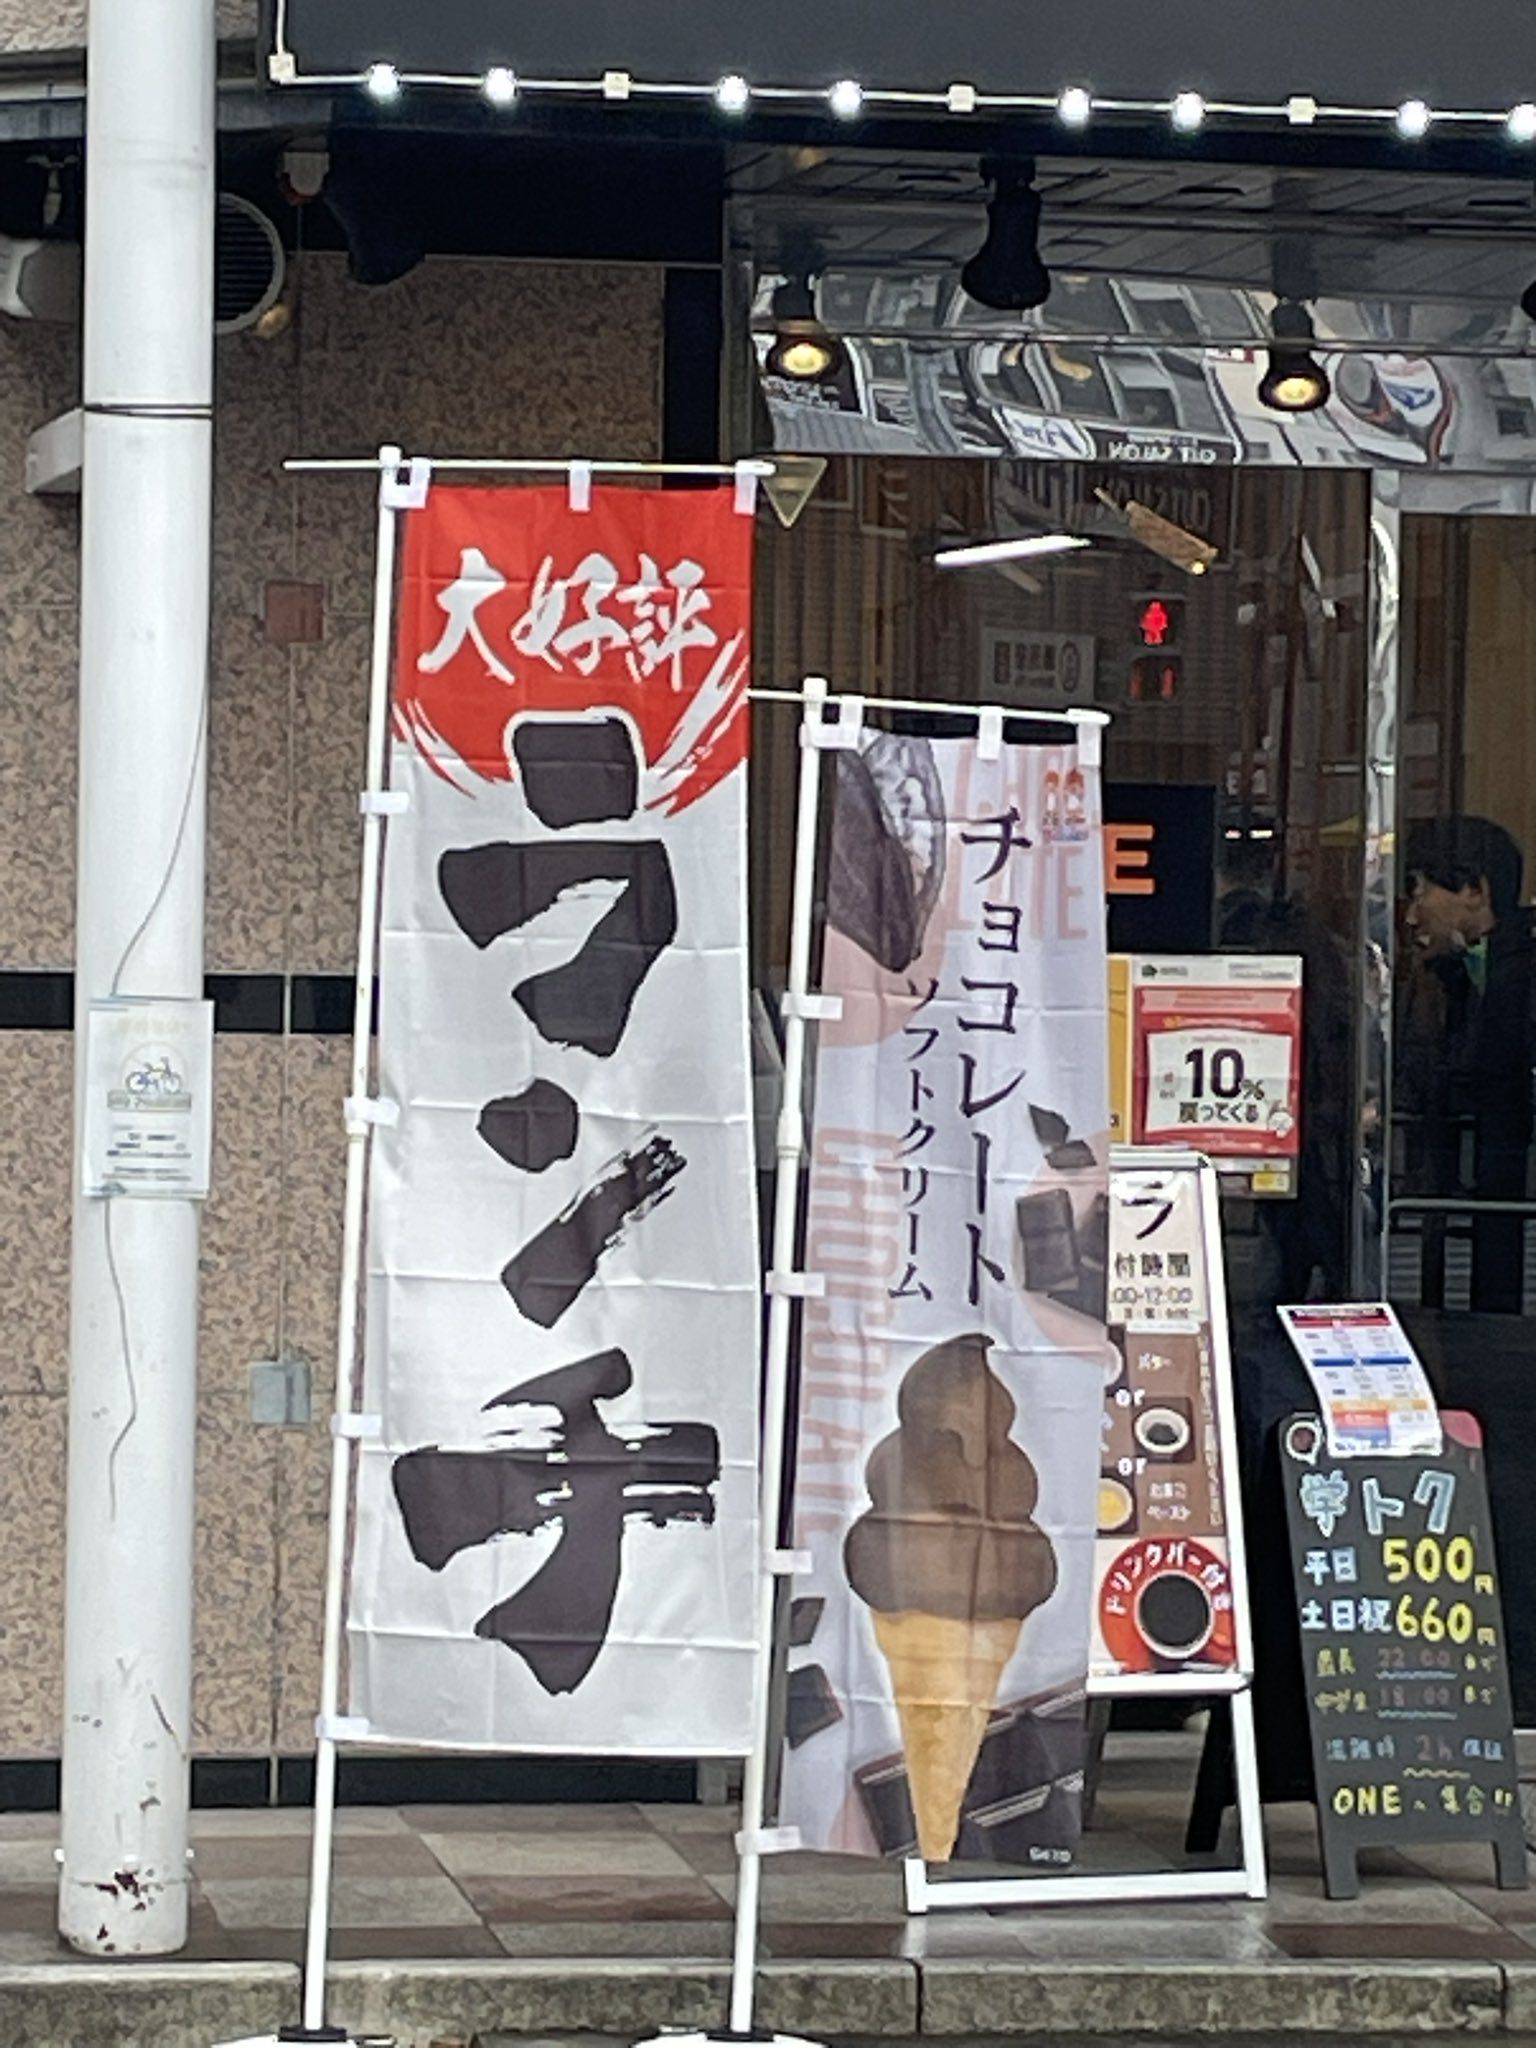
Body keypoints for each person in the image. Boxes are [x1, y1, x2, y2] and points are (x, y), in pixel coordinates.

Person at [1401, 816, 1534, 1315]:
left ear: (1475, 891)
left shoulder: (1514, 980)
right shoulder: (1456, 974)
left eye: (1421, 892)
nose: (1411, 916)